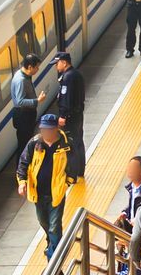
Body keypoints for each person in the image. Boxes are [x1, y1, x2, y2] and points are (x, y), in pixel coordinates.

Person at [16, 115, 72, 260]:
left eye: (48, 129)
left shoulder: (66, 144)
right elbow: (23, 163)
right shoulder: (34, 144)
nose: (44, 132)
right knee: (43, 222)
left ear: (56, 129)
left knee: (54, 226)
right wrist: (22, 182)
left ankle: (53, 258)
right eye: (43, 129)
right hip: (37, 193)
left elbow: (74, 164)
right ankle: (52, 242)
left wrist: (67, 182)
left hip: (56, 193)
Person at [52, 50, 86, 182]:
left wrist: (63, 116)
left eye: (57, 63)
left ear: (64, 62)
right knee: (78, 141)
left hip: (70, 117)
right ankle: (80, 170)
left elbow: (66, 99)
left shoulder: (68, 77)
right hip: (77, 115)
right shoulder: (76, 74)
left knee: (71, 143)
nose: (56, 66)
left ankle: (74, 172)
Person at [9, 54, 42, 158]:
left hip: (26, 115)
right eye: (36, 67)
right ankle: (21, 171)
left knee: (26, 143)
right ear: (30, 67)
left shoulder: (23, 74)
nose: (38, 69)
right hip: (24, 116)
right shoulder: (21, 80)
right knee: (24, 145)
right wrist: (37, 100)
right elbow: (20, 101)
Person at [117, 155, 141, 229]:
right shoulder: (131, 187)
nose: (129, 171)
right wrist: (125, 212)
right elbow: (132, 205)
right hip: (131, 225)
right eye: (129, 168)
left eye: (133, 169)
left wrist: (137, 221)